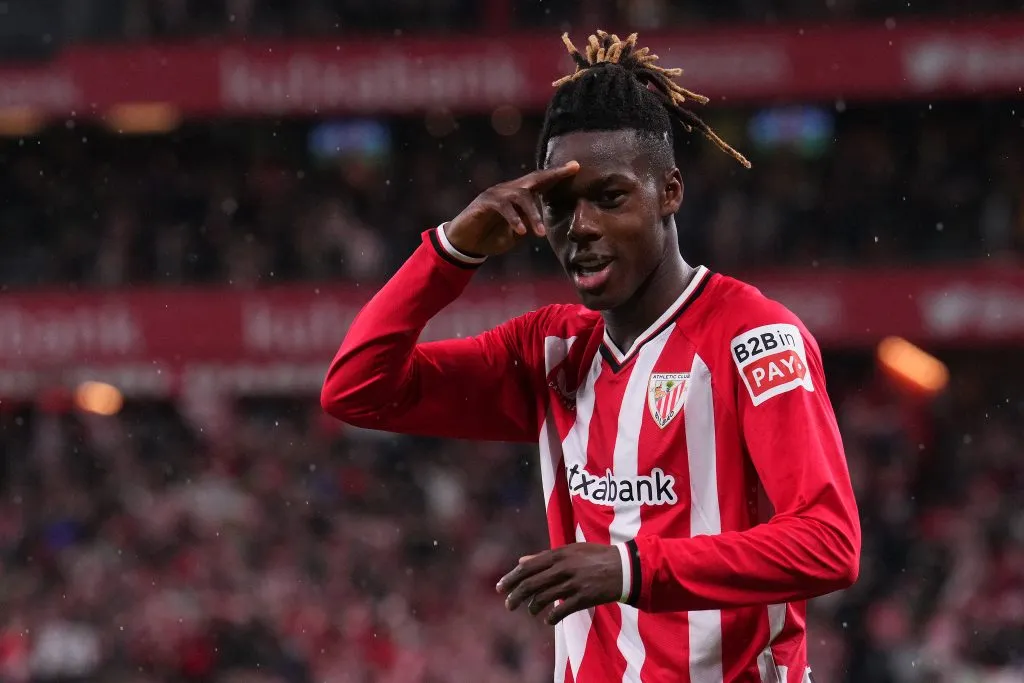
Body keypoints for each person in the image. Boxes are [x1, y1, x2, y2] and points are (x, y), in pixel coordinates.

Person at [321, 30, 860, 683]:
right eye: (559, 206)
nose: (582, 228)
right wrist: (449, 251)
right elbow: (358, 389)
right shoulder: (550, 350)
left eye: (609, 197)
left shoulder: (754, 337)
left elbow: (830, 542)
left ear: (669, 192)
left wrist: (631, 567)